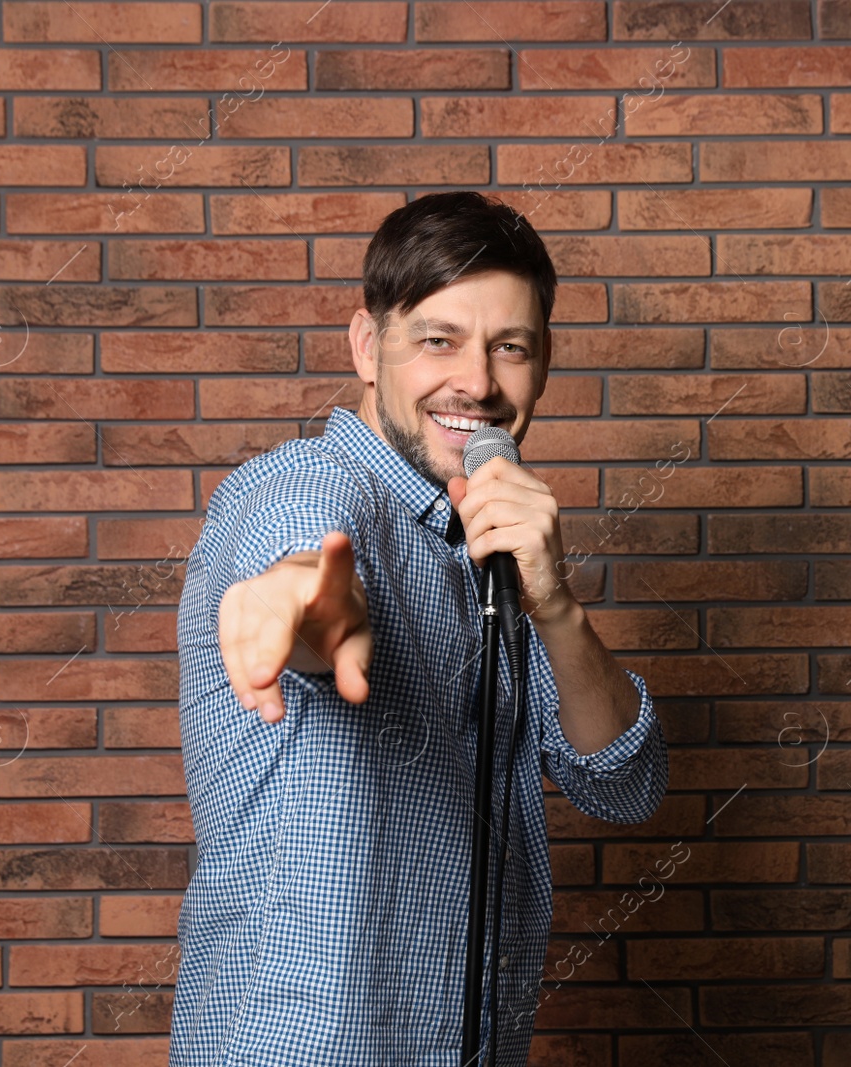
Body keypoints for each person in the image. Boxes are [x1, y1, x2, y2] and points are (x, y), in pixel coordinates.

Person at [171, 190, 669, 1066]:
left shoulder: (490, 544)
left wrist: (555, 606)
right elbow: (308, 561)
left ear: (543, 363)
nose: (476, 382)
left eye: (509, 347)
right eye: (438, 340)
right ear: (369, 347)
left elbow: (624, 788)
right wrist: (300, 606)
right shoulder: (304, 490)